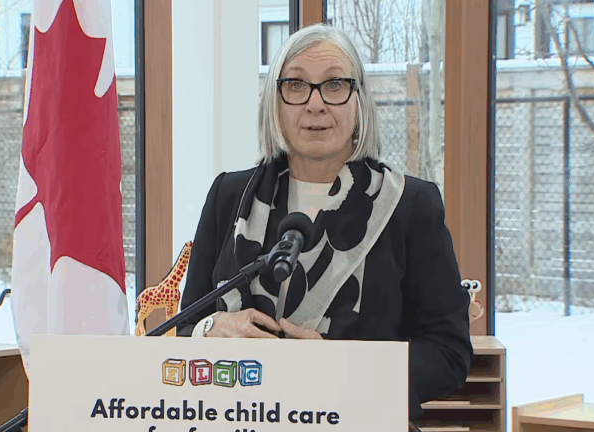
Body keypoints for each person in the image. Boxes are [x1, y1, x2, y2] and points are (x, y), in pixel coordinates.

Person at [176, 23, 473, 423]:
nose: (315, 104)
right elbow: (185, 328)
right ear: (275, 104)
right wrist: (211, 328)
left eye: (334, 85)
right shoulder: (228, 197)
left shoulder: (410, 206)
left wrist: (341, 370)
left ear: (359, 101)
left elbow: (448, 353)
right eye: (296, 85)